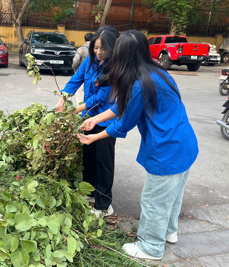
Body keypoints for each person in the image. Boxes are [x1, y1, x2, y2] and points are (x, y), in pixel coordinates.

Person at [78, 30, 199, 260]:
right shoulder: (159, 73)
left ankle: (151, 247)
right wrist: (95, 119)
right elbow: (122, 107)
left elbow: (123, 123)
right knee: (172, 195)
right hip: (185, 144)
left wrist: (93, 137)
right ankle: (169, 232)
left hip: (166, 151)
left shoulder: (139, 84)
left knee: (153, 199)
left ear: (123, 56)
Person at [55, 25, 120, 218]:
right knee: (89, 157)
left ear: (113, 48)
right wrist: (63, 98)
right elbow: (76, 79)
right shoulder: (90, 61)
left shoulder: (115, 68)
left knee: (103, 162)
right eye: (96, 48)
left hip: (105, 120)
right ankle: (90, 194)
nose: (99, 52)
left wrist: (74, 109)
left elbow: (101, 97)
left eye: (103, 48)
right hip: (88, 118)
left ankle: (104, 205)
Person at [71, 32, 93, 105]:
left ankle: (80, 111)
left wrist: (74, 68)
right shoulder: (95, 49)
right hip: (92, 74)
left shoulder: (81, 49)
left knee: (80, 92)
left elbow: (76, 60)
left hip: (80, 73)